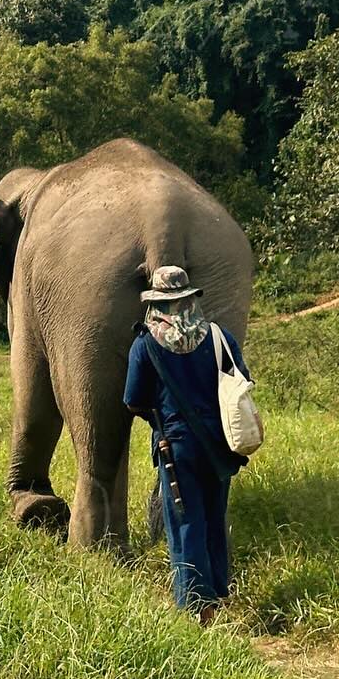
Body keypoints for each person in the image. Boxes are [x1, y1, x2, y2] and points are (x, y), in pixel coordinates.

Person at [123, 266, 245, 624]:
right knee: (212, 517)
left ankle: (196, 606)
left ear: (158, 303)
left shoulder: (145, 343)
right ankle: (218, 593)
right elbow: (241, 382)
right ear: (191, 299)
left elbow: (133, 400)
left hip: (175, 448)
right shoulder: (219, 337)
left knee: (185, 522)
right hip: (220, 444)